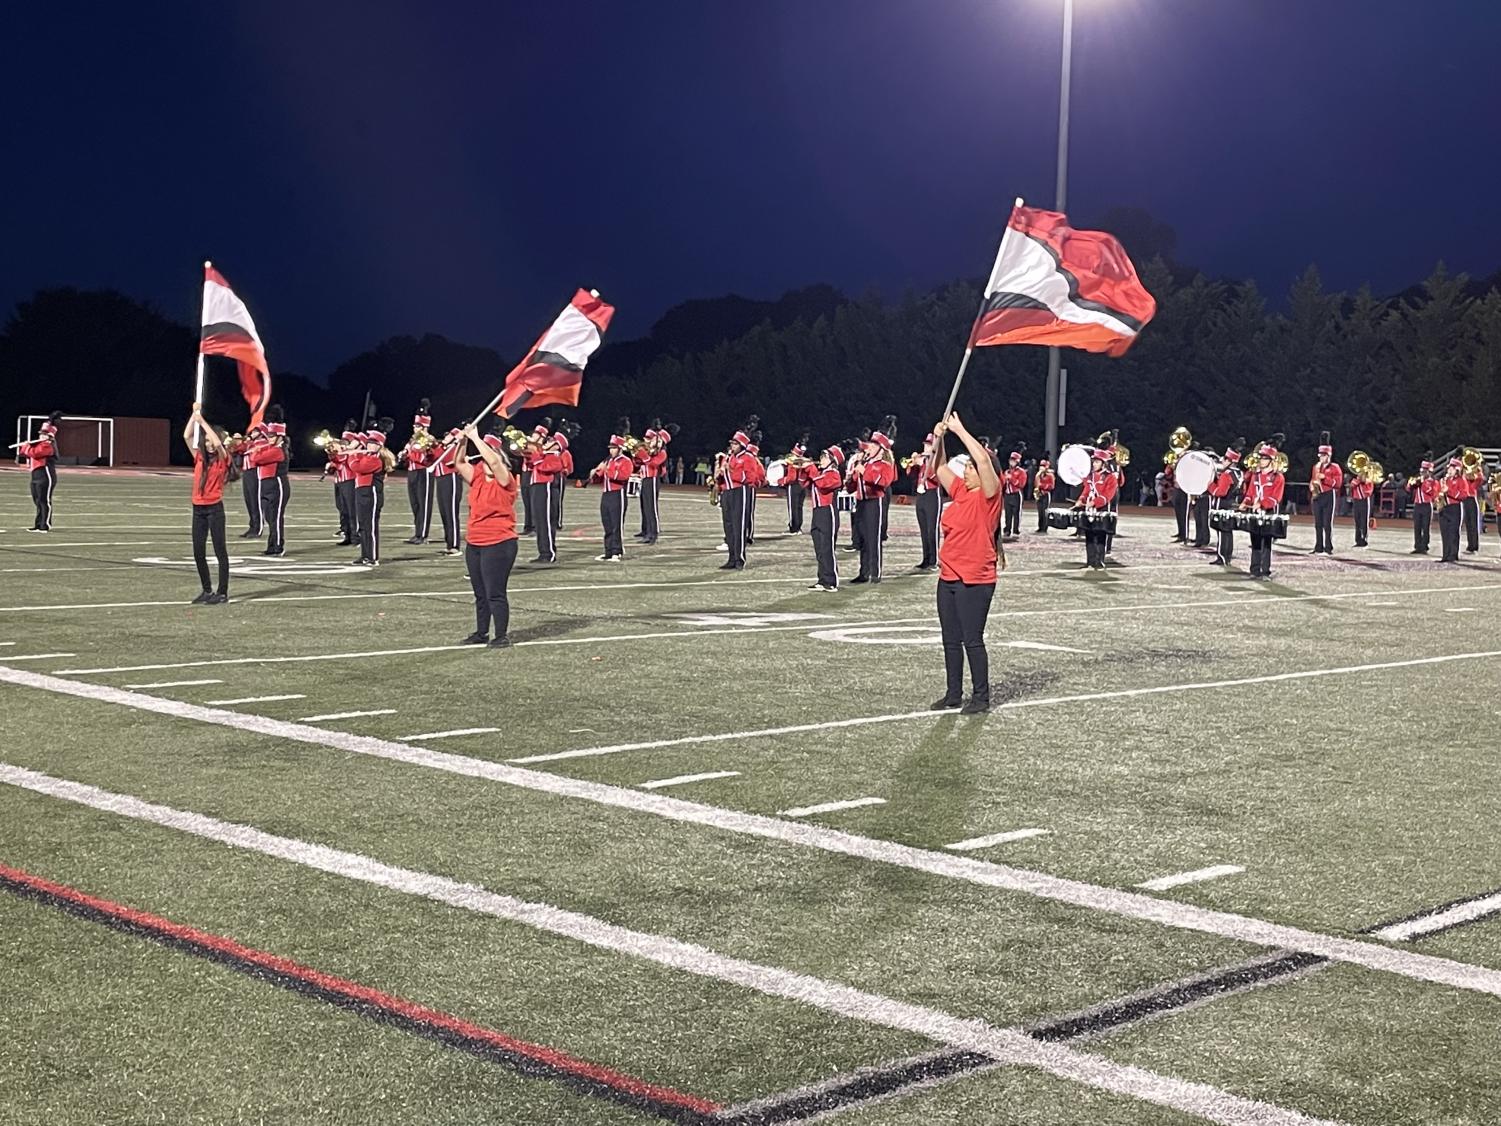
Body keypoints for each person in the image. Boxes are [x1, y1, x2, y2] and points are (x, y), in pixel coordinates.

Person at [930, 412, 1002, 715]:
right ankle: (953, 693)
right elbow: (939, 467)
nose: (969, 470)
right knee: (950, 640)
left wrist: (960, 430)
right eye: (968, 468)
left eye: (970, 467)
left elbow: (985, 462)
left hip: (975, 579)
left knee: (972, 640)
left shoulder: (989, 496)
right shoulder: (961, 491)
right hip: (948, 576)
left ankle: (981, 697)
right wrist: (939, 439)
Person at [452, 423, 518, 648]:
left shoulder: (506, 480)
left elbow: (495, 461)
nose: (483, 461)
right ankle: (481, 632)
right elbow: (459, 462)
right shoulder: (477, 477)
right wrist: (462, 441)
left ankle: (501, 635)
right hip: (475, 542)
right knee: (480, 593)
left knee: (495, 592)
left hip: (499, 542)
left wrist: (476, 438)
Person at [183, 406, 236, 604]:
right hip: (198, 509)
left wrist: (203, 421)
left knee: (220, 551)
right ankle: (206, 590)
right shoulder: (199, 458)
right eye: (205, 441)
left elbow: (216, 442)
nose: (210, 444)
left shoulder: (223, 460)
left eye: (211, 441)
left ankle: (222, 592)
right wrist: (193, 415)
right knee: (198, 551)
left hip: (215, 508)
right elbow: (187, 435)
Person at [848, 427, 897, 584]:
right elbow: (854, 485)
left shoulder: (884, 464)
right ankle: (864, 572)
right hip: (861, 502)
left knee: (873, 538)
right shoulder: (865, 462)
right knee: (862, 538)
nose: (870, 447)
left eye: (874, 446)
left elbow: (883, 482)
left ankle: (875, 573)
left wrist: (864, 472)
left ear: (881, 449)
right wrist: (850, 479)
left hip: (875, 502)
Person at [246, 411, 289, 557]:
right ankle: (271, 545)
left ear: (280, 437)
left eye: (272, 436)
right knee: (270, 517)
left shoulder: (278, 450)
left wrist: (256, 451)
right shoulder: (271, 447)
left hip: (277, 485)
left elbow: (255, 459)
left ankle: (278, 546)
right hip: (265, 484)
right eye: (268, 435)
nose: (269, 438)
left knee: (276, 517)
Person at [1241, 442, 1286, 579]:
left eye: (1264, 458)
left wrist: (1261, 504)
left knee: (1266, 543)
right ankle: (1254, 570)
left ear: (1271, 460)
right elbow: (1249, 493)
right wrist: (1245, 502)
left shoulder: (1278, 477)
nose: (1261, 460)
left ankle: (1265, 571)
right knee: (1255, 541)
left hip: (1268, 513)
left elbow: (1275, 499)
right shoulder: (1255, 476)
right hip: (1254, 512)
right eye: (1260, 458)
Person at [346, 427, 388, 566]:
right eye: (369, 443)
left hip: (371, 494)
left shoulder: (376, 460)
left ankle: (372, 557)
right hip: (362, 492)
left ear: (379, 446)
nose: (370, 446)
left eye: (373, 444)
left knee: (370, 526)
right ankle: (365, 555)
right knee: (363, 525)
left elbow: (358, 467)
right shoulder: (367, 456)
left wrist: (352, 454)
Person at [805, 445, 845, 591]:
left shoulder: (834, 473)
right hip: (817, 512)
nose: (821, 459)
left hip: (828, 513)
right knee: (819, 548)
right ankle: (822, 579)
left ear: (832, 460)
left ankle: (831, 581)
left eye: (824, 457)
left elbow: (823, 484)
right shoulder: (821, 472)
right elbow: (805, 483)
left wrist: (811, 469)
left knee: (827, 548)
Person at [591, 432, 635, 561]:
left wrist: (606, 470)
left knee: (616, 524)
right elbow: (600, 478)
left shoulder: (626, 461)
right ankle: (608, 551)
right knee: (607, 524)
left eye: (614, 448)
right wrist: (595, 474)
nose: (611, 450)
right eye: (610, 448)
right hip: (606, 494)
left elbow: (623, 477)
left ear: (620, 448)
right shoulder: (608, 461)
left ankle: (617, 551)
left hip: (618, 494)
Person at [1073, 450, 1117, 570]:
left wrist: (1095, 502)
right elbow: (1086, 491)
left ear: (1104, 463)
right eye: (1094, 462)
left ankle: (1099, 561)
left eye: (1097, 462)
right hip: (1089, 508)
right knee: (1089, 533)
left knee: (1101, 534)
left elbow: (1108, 495)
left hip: (1102, 508)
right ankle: (1090, 560)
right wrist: (1081, 499)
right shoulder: (1090, 476)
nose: (1094, 464)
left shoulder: (1110, 477)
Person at [400, 401, 437, 545]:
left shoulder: (429, 440)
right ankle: (417, 532)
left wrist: (410, 455)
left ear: (424, 427)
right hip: (412, 472)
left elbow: (426, 459)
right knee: (415, 504)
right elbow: (407, 454)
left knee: (424, 504)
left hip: (424, 473)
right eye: (414, 425)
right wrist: (403, 456)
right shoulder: (412, 440)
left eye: (417, 426)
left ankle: (423, 535)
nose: (414, 428)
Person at [17, 412, 61, 532]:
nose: (41, 436)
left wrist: (27, 446)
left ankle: (45, 525)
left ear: (50, 436)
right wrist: (26, 446)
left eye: (44, 434)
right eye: (41, 434)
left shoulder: (48, 446)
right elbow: (23, 453)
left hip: (45, 475)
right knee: (37, 500)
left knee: (44, 500)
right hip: (35, 475)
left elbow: (34, 453)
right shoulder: (38, 444)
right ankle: (38, 524)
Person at [524, 431, 564, 563]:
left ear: (557, 445)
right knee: (540, 521)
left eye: (551, 440)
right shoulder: (544, 454)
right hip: (538, 488)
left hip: (545, 489)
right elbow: (530, 462)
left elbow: (545, 467)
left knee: (545, 522)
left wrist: (536, 456)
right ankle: (544, 551)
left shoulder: (555, 456)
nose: (547, 441)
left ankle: (548, 553)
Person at [1207, 444, 1244, 565]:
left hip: (1222, 505)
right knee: (1228, 532)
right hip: (1232, 504)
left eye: (1225, 459)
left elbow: (1220, 492)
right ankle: (1227, 556)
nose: (1222, 461)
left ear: (1230, 461)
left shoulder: (1226, 474)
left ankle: (1222, 557)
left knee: (1222, 532)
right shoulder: (1239, 473)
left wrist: (1210, 485)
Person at [431, 426, 465, 556]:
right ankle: (449, 543)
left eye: (450, 435)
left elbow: (445, 460)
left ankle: (455, 545)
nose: (446, 437)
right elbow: (431, 459)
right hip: (440, 480)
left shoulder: (454, 449)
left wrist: (440, 446)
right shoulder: (443, 447)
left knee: (451, 513)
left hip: (451, 479)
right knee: (444, 513)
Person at [911, 433, 943, 569]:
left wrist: (925, 464)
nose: (925, 446)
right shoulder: (922, 459)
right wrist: (912, 464)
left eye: (929, 444)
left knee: (932, 529)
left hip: (932, 495)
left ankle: (933, 560)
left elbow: (937, 478)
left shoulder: (937, 460)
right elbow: (910, 474)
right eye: (925, 444)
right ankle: (925, 558)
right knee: (923, 529)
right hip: (921, 496)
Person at [635, 424, 669, 544]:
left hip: (652, 479)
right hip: (644, 478)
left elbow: (653, 464)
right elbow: (639, 464)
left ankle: (652, 534)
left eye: (650, 438)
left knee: (651, 507)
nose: (647, 440)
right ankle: (645, 530)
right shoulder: (650, 450)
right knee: (644, 506)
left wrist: (644, 456)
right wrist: (636, 455)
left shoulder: (662, 452)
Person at [1309, 434, 1341, 554]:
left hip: (1328, 495)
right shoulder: (1316, 467)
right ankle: (1318, 547)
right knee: (1318, 523)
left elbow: (1337, 484)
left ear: (1329, 455)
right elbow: (1312, 479)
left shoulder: (1335, 467)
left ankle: (1328, 547)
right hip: (1317, 496)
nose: (1321, 458)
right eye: (1320, 455)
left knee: (1327, 524)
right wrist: (1311, 486)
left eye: (1323, 455)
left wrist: (1325, 478)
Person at [237, 421, 265, 539]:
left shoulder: (263, 443)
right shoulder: (251, 442)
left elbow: (245, 449)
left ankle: (258, 528)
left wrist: (242, 442)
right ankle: (252, 526)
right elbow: (238, 448)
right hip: (247, 472)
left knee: (255, 501)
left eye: (254, 431)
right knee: (249, 501)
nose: (251, 433)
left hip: (255, 473)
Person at [1406, 457, 1438, 554]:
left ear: (1429, 472)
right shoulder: (1418, 480)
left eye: (1425, 471)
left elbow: (1433, 493)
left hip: (1427, 505)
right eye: (1421, 471)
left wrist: (1423, 483)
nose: (1422, 473)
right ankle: (1417, 546)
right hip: (1417, 505)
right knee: (1417, 527)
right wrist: (1411, 484)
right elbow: (1408, 489)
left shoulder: (1433, 482)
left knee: (1425, 527)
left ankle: (1424, 546)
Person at [1438, 458, 1464, 563]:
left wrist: (1449, 491)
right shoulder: (1444, 480)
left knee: (1453, 532)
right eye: (1449, 468)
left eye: (1452, 468)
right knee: (1445, 532)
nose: (1449, 470)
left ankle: (1453, 555)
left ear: (1457, 470)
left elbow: (1463, 494)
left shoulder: (1461, 480)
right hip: (1444, 508)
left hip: (1454, 507)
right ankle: (1445, 555)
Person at [786, 433, 810, 534]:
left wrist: (782, 481)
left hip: (794, 485)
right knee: (799, 507)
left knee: (793, 507)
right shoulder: (804, 460)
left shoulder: (792, 460)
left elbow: (791, 477)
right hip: (803, 486)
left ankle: (793, 527)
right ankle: (798, 526)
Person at [1001, 450, 1026, 538]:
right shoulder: (1007, 471)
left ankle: (1016, 531)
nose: (1012, 462)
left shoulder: (1021, 472)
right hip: (1007, 495)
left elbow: (1021, 484)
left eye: (1014, 460)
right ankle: (1007, 530)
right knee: (1008, 514)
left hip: (1016, 494)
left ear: (1018, 461)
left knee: (1016, 514)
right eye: (1011, 460)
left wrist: (1011, 478)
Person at [1349, 466, 1374, 548]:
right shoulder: (1355, 480)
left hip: (1364, 501)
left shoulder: (1368, 481)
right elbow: (1352, 485)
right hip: (1356, 501)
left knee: (1364, 520)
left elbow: (1368, 492)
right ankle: (1358, 540)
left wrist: (1362, 481)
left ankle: (1364, 540)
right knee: (1357, 521)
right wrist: (1359, 480)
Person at [1033, 456, 1056, 534]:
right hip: (1039, 494)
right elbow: (1036, 484)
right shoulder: (1038, 475)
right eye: (1041, 466)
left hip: (1046, 494)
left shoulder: (1050, 475)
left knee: (1045, 512)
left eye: (1043, 466)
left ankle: (1044, 528)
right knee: (1040, 512)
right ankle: (1040, 527)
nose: (1041, 467)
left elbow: (1052, 486)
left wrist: (1042, 486)